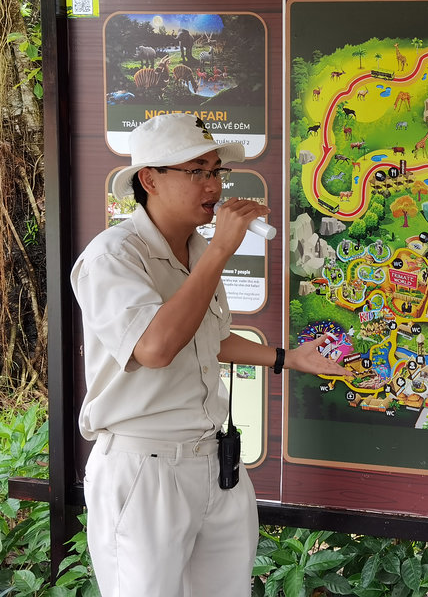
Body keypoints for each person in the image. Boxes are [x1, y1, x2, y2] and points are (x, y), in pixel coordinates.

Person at [71, 113, 347, 596]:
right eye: (196, 170)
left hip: (215, 461)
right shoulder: (113, 256)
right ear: (149, 180)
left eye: (217, 171)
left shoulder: (197, 251)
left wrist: (287, 358)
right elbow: (155, 347)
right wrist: (221, 250)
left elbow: (208, 338)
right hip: (143, 466)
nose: (214, 185)